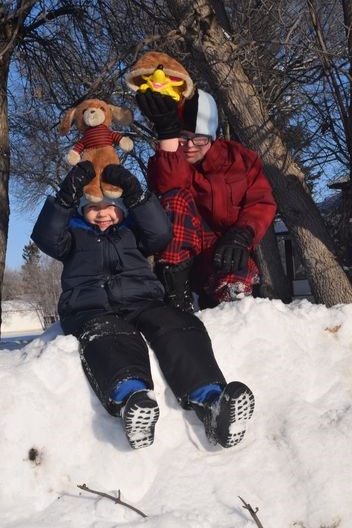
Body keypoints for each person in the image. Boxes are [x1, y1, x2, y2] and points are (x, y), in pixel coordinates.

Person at [31, 160, 255, 450]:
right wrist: (63, 199)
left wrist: (138, 195)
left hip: (142, 300)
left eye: (109, 207)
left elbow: (161, 232)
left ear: (121, 209)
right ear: (81, 211)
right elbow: (46, 237)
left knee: (178, 326)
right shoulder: (72, 236)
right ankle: (132, 402)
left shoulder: (132, 232)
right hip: (91, 307)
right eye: (93, 208)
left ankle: (212, 401)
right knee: (110, 335)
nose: (102, 215)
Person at [135, 85, 277, 312]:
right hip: (183, 257)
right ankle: (176, 297)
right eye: (183, 138)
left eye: (199, 139)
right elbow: (170, 190)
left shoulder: (240, 160)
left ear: (213, 136)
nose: (190, 146)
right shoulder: (167, 162)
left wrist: (242, 234)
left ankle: (233, 310)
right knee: (175, 198)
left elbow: (260, 201)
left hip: (226, 249)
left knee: (235, 283)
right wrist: (168, 137)